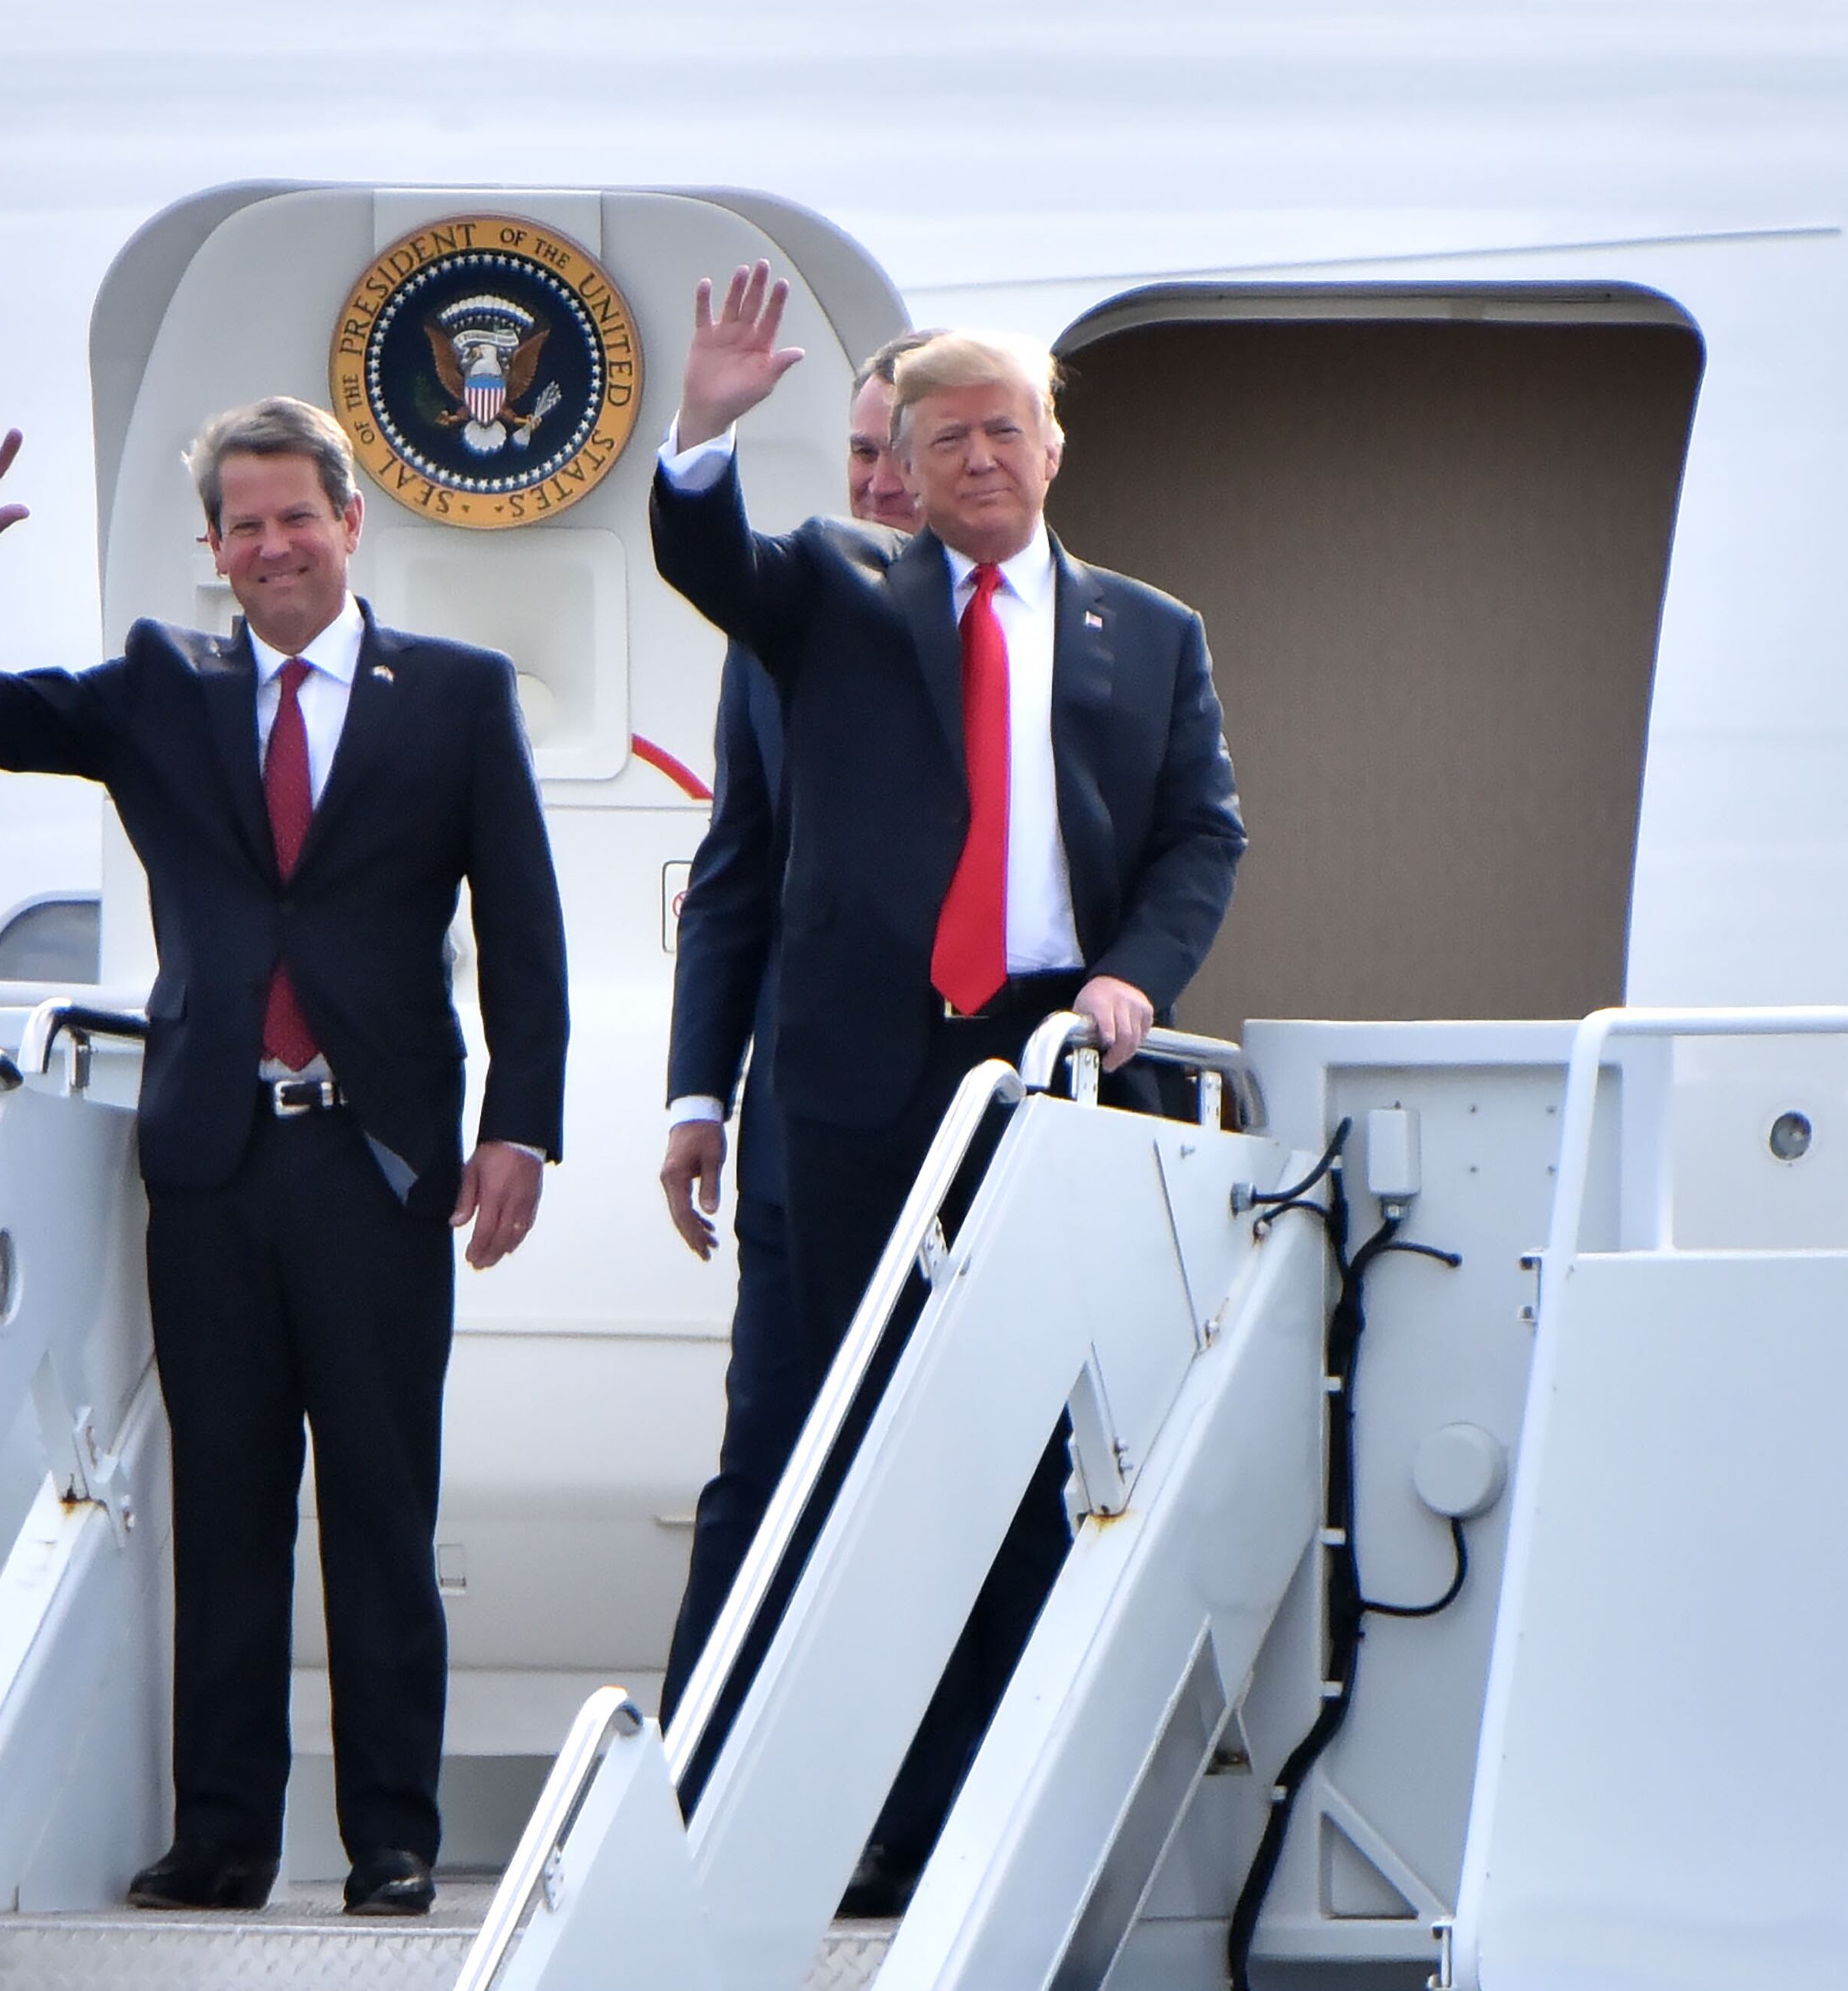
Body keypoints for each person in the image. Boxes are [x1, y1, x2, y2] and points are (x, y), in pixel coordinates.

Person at [0, 400, 569, 1919]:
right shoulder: (157, 686)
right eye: (242, 527)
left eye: (294, 519)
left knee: (383, 1507)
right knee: (228, 1511)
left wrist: (521, 1122)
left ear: (349, 524)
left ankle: (393, 1841)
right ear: (215, 551)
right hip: (212, 1156)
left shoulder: (451, 694)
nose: (270, 548)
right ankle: (226, 1840)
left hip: (378, 1162)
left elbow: (523, 927)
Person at [646, 267, 1245, 1912]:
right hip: (848, 1086)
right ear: (899, 466)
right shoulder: (838, 598)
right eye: (943, 438)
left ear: (1053, 446)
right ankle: (709, 1800)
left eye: (1006, 428)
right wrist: (701, 426)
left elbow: (1206, 833)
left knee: (1013, 1459)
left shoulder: (1155, 632)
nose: (978, 458)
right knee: (792, 1445)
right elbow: (710, 571)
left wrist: (1138, 972)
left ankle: (950, 1820)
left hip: (1050, 1076)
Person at [656, 329, 936, 1726]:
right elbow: (734, 871)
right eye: (864, 451)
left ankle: (916, 1809)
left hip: (967, 1122)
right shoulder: (787, 618)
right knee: (766, 1445)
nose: (882, 482)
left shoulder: (1070, 636)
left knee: (948, 1465)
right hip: (794, 1132)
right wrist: (695, 1094)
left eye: (911, 450)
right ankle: (690, 1783)